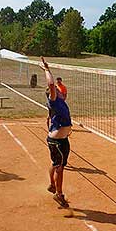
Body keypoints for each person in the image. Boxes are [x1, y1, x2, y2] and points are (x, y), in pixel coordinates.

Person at [40, 57, 72, 208]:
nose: (60, 91)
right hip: (56, 141)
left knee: (56, 164)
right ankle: (59, 194)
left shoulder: (60, 102)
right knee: (59, 167)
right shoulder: (53, 100)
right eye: (57, 91)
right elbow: (51, 84)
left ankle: (52, 184)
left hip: (62, 139)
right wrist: (47, 69)